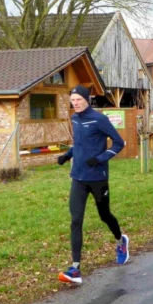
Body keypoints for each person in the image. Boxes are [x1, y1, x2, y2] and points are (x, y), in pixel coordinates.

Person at [56, 85, 130, 285]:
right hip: (78, 177)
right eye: (73, 101)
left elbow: (119, 143)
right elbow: (79, 143)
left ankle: (120, 241)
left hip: (98, 178)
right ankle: (75, 268)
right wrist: (67, 155)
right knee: (76, 220)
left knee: (104, 215)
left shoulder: (99, 119)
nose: (76, 103)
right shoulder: (74, 118)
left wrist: (101, 158)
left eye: (79, 99)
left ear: (87, 99)